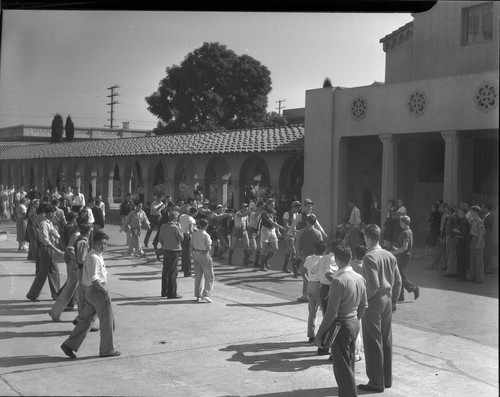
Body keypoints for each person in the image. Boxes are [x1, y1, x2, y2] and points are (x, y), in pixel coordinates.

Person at [315, 243, 368, 397]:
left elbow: (331, 312)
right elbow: (364, 305)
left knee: (342, 369)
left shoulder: (338, 281)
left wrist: (320, 334)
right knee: (349, 364)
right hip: (354, 324)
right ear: (350, 258)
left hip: (341, 327)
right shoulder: (360, 278)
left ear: (336, 260)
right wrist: (355, 319)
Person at [60, 230, 120, 359]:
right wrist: (105, 293)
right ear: (94, 244)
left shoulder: (95, 255)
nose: (103, 246)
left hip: (91, 292)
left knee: (86, 321)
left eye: (105, 244)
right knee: (107, 322)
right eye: (100, 244)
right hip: (97, 291)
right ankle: (107, 349)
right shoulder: (93, 257)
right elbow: (95, 278)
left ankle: (69, 345)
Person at [359, 224, 402, 393]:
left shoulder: (369, 257)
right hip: (388, 299)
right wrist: (395, 301)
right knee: (386, 339)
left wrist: (363, 301)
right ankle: (387, 379)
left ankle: (376, 381)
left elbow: (373, 284)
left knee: (373, 340)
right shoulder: (390, 255)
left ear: (368, 238)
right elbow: (398, 281)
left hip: (374, 301)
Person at [26, 205, 63, 302]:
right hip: (46, 249)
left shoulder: (50, 223)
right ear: (50, 213)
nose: (55, 215)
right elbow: (45, 240)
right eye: (54, 213)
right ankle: (32, 294)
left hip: (50, 249)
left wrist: (54, 234)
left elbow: (57, 234)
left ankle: (56, 294)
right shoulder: (43, 224)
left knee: (54, 271)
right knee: (43, 273)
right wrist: (56, 249)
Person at [303, 241, 327, 353]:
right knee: (324, 312)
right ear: (325, 250)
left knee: (312, 312)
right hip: (319, 285)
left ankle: (311, 335)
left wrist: (308, 281)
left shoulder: (309, 258)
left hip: (310, 284)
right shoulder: (324, 260)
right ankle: (321, 336)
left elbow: (302, 271)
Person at [391, 216, 419, 301]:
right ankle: (400, 295)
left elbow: (404, 247)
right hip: (405, 255)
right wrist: (397, 249)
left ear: (403, 222)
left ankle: (413, 288)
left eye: (400, 222)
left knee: (400, 275)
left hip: (403, 255)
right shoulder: (409, 231)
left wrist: (394, 252)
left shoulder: (405, 233)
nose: (400, 224)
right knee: (400, 274)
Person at [297, 214, 323, 302]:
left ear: (307, 222)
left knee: (303, 272)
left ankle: (306, 292)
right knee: (313, 274)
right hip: (316, 255)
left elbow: (298, 243)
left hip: (306, 255)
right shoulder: (318, 233)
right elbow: (321, 244)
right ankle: (309, 292)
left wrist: (298, 253)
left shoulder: (302, 231)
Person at [158, 211, 184, 299]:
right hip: (174, 250)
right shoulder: (175, 227)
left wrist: (164, 245)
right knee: (172, 272)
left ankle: (164, 291)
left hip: (166, 249)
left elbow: (160, 239)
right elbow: (181, 238)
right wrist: (180, 228)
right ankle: (172, 293)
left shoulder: (163, 226)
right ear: (176, 218)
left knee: (165, 271)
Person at [191, 218, 214, 303]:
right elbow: (208, 247)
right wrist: (209, 253)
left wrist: (192, 254)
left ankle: (198, 295)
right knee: (209, 276)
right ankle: (206, 294)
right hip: (204, 254)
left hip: (196, 253)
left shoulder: (195, 234)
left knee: (198, 276)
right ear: (206, 226)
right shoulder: (206, 235)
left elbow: (191, 245)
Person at [259, 198, 286, 271]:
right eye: (271, 205)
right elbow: (271, 222)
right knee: (263, 249)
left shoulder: (273, 212)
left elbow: (275, 221)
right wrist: (281, 228)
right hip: (265, 230)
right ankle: (262, 266)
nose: (273, 206)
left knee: (275, 248)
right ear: (267, 205)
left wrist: (278, 231)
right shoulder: (264, 213)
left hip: (272, 230)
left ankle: (265, 261)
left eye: (274, 205)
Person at [283, 201, 301, 274]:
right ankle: (295, 270)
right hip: (288, 234)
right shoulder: (287, 214)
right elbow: (286, 226)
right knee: (293, 251)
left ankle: (284, 267)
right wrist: (295, 230)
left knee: (289, 251)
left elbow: (297, 224)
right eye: (298, 208)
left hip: (294, 235)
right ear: (294, 207)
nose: (299, 209)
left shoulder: (296, 214)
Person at [469, 206, 485, 283]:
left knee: (479, 261)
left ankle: (479, 278)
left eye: (472, 212)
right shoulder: (473, 220)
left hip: (478, 239)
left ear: (475, 212)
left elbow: (481, 234)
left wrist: (478, 243)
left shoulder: (480, 221)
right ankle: (473, 276)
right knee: (472, 260)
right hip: (473, 239)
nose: (471, 213)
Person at [179, 207, 198, 276]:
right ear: (194, 212)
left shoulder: (182, 216)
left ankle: (183, 268)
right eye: (196, 213)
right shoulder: (191, 219)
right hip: (187, 236)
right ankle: (187, 272)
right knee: (188, 255)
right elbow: (191, 230)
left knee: (184, 253)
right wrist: (195, 236)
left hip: (181, 234)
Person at [454, 207, 470, 281]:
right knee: (461, 259)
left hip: (462, 242)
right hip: (462, 242)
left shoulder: (464, 221)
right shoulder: (463, 220)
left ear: (463, 213)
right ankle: (461, 275)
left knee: (461, 259)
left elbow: (464, 233)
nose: (458, 214)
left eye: (459, 212)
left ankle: (461, 276)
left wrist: (457, 231)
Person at [443, 205, 458, 278]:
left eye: (447, 209)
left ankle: (451, 271)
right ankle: (449, 269)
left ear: (450, 210)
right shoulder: (449, 217)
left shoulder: (453, 217)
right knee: (449, 254)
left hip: (451, 237)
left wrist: (451, 235)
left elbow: (454, 227)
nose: (446, 210)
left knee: (451, 254)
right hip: (448, 236)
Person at [247, 201, 263, 267]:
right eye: (260, 207)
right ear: (257, 207)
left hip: (258, 230)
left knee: (260, 247)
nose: (261, 208)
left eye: (262, 207)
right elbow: (255, 214)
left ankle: (256, 263)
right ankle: (246, 258)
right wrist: (261, 212)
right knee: (254, 247)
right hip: (252, 230)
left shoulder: (261, 213)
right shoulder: (253, 213)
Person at [482, 203, 494, 274]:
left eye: (483, 207)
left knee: (488, 252)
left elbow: (486, 226)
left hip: (488, 235)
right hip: (485, 235)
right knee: (485, 252)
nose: (482, 208)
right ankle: (486, 267)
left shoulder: (490, 216)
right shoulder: (485, 216)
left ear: (486, 208)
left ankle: (489, 268)